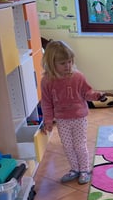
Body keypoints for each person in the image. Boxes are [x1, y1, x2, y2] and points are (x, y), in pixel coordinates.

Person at [41, 40, 105, 184]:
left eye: (70, 61)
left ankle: (84, 170)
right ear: (52, 64)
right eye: (63, 63)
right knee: (68, 146)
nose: (68, 66)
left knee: (79, 145)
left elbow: (87, 93)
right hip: (62, 119)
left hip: (79, 117)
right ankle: (75, 169)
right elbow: (46, 102)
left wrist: (96, 96)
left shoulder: (78, 77)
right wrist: (48, 121)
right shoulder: (47, 81)